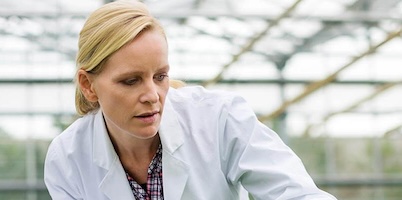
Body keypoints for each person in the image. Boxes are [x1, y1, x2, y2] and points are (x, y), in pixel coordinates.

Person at [44, 1, 337, 199]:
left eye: (160, 76)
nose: (152, 96)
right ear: (88, 85)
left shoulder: (219, 119)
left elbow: (297, 193)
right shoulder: (68, 159)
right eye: (130, 81)